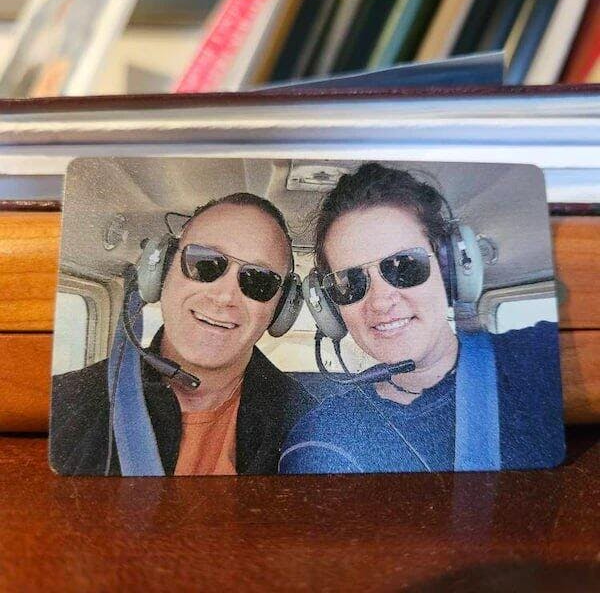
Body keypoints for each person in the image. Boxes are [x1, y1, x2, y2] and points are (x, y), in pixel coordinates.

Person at [279, 163, 564, 474]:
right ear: (331, 307)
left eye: (404, 265)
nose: (380, 301)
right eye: (351, 281)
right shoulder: (322, 443)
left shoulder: (548, 359)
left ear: (450, 268)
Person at [51, 193, 316, 476]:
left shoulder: (309, 427)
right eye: (205, 262)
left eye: (259, 280)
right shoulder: (61, 406)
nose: (224, 296)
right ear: (162, 269)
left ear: (282, 307)